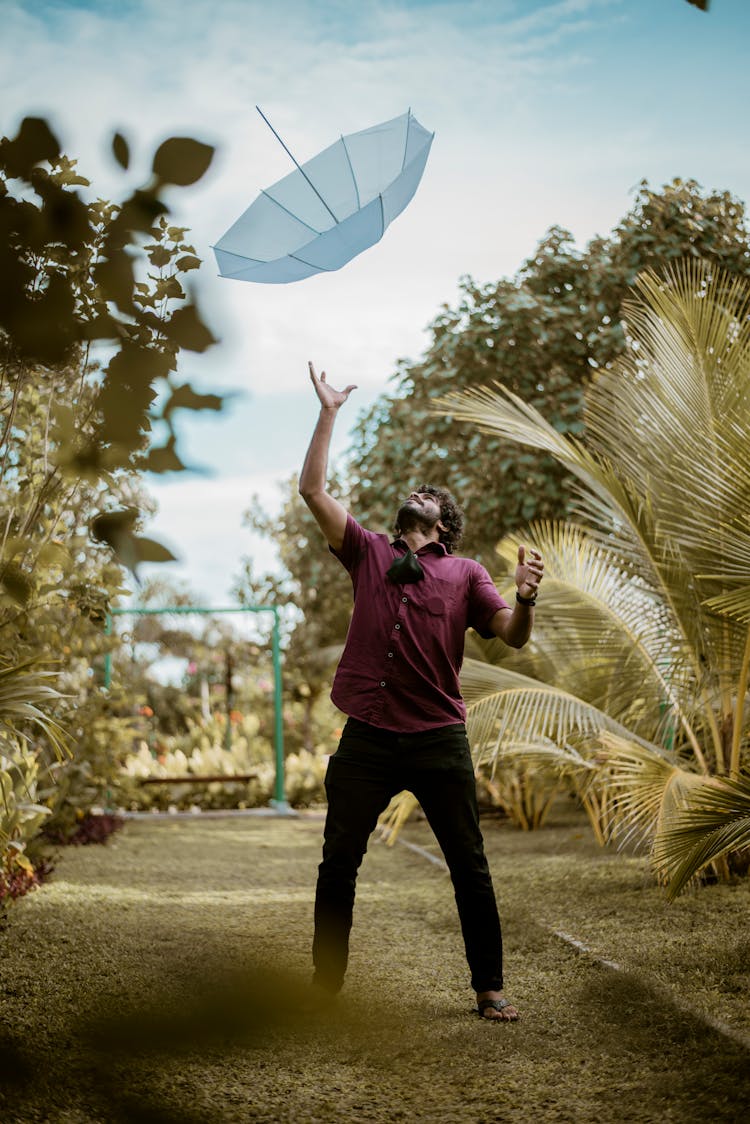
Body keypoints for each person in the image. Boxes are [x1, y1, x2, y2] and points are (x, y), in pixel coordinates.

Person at [300, 362, 543, 1022]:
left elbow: (510, 637)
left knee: (469, 866)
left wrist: (524, 597)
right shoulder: (367, 552)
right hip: (368, 735)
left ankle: (489, 989)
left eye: (428, 496)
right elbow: (313, 489)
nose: (417, 495)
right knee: (338, 862)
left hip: (438, 739)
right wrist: (329, 411)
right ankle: (325, 988)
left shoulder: (465, 572)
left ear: (442, 522)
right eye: (413, 493)